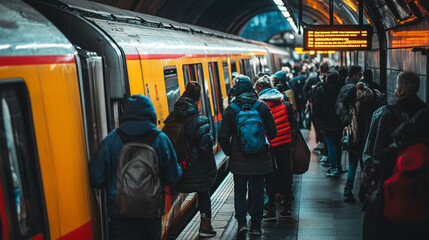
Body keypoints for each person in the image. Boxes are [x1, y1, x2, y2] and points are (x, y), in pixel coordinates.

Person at [89, 95, 182, 240]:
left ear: (126, 115)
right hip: (151, 216)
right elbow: (173, 176)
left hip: (120, 216)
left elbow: (96, 178)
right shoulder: (160, 139)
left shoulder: (112, 139)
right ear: (151, 114)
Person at [218, 76, 276, 237]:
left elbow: (222, 136)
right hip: (261, 159)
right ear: (252, 89)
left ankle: (242, 223)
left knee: (240, 191)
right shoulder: (262, 107)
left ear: (237, 91)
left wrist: (231, 151)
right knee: (258, 191)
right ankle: (256, 225)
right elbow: (273, 132)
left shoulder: (231, 109)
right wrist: (262, 144)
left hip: (239, 160)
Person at [163, 81, 218, 237]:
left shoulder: (171, 118)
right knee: (203, 193)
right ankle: (205, 226)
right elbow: (206, 149)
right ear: (197, 100)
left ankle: (174, 225)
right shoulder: (199, 120)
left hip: (179, 169)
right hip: (198, 170)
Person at [364, 71, 427, 182]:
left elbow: (379, 148)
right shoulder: (424, 111)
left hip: (393, 172)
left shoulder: (389, 111)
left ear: (400, 88)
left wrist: (373, 175)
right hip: (420, 174)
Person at [253, 76, 297, 219]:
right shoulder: (284, 102)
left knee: (269, 175)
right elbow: (293, 124)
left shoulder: (259, 105)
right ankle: (287, 206)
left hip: (269, 145)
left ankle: (271, 208)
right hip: (284, 143)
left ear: (259, 89)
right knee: (285, 172)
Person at [343, 83, 378, 201]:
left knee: (352, 165)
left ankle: (348, 190)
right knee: (365, 167)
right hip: (364, 143)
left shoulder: (354, 106)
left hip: (354, 140)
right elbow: (368, 129)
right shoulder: (370, 109)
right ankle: (365, 191)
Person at [313, 72, 343, 177]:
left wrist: (318, 121)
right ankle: (338, 166)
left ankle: (333, 167)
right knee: (338, 145)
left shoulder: (320, 90)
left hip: (325, 122)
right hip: (338, 121)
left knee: (330, 145)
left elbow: (316, 107)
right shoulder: (340, 89)